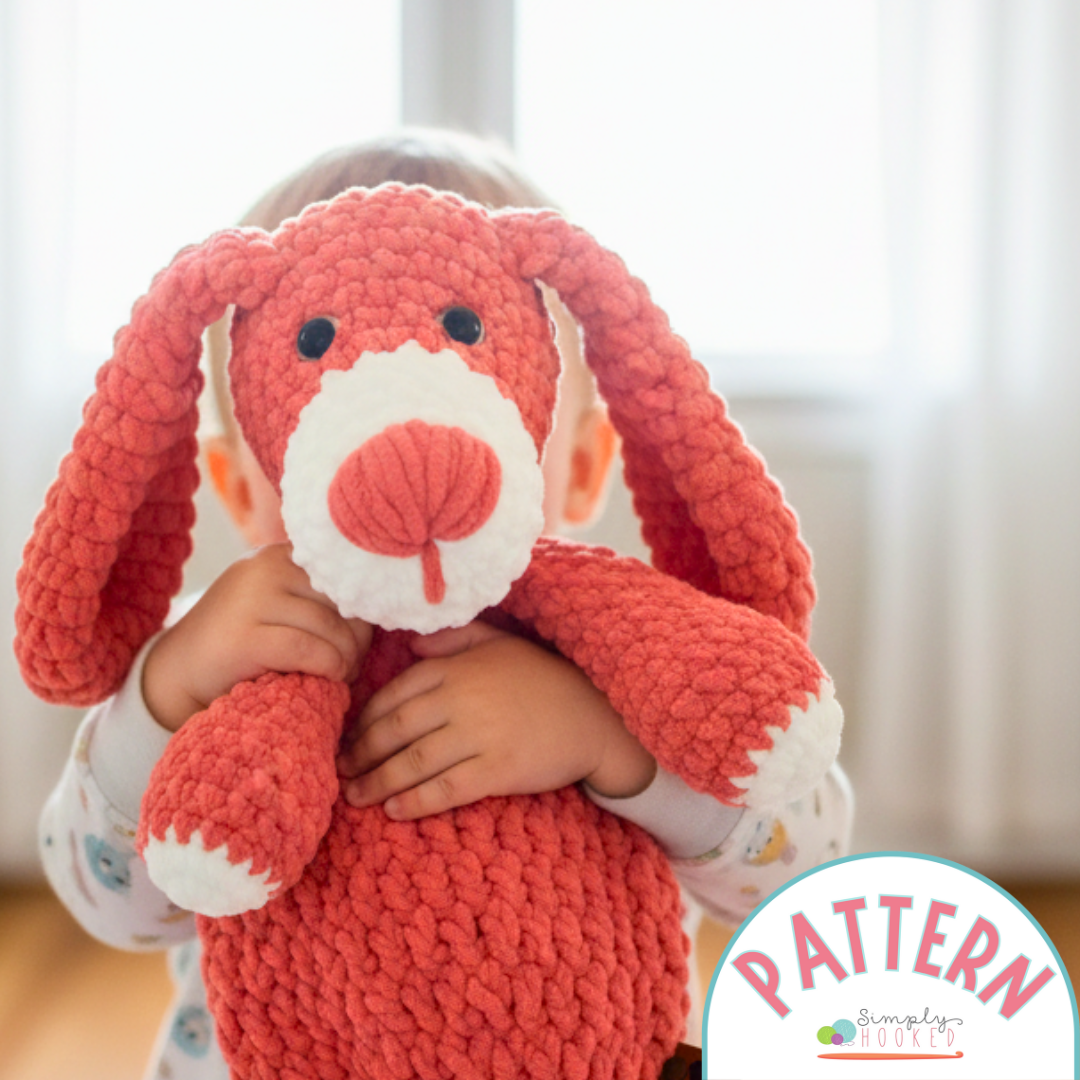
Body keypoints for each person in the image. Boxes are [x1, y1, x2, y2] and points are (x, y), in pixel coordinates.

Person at [38, 129, 852, 1079]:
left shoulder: (636, 657)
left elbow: (804, 867)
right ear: (239, 485)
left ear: (581, 464)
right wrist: (164, 694)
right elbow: (109, 903)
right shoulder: (212, 663)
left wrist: (610, 746)